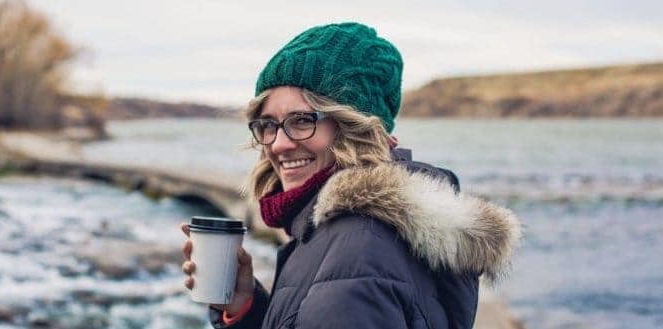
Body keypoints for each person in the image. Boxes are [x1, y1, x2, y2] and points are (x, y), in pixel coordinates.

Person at [181, 22, 521, 329]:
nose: (279, 144)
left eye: (302, 120)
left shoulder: (359, 249)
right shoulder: (340, 232)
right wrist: (245, 308)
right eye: (268, 124)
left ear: (354, 129)